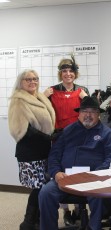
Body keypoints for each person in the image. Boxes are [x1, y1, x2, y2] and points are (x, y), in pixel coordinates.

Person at [39, 96, 111, 230]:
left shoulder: (107, 133)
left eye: (92, 111)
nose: (88, 115)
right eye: (84, 111)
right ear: (79, 113)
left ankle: (94, 227)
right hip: (66, 178)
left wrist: (97, 174)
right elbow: (54, 155)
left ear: (98, 114)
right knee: (46, 193)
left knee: (97, 195)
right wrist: (56, 173)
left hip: (93, 179)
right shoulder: (68, 131)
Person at [43, 55, 90, 225]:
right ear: (60, 74)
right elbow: (41, 111)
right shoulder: (51, 91)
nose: (68, 74)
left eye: (71, 71)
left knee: (76, 170)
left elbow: (90, 112)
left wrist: (85, 98)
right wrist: (42, 96)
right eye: (64, 71)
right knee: (60, 172)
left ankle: (79, 207)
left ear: (75, 74)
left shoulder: (82, 90)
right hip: (59, 137)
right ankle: (65, 211)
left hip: (78, 137)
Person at [8, 69, 56, 230]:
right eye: (28, 79)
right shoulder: (19, 100)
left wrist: (53, 136)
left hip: (43, 150)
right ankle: (28, 223)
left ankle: (36, 220)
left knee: (41, 187)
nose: (32, 82)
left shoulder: (40, 97)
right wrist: (49, 137)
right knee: (38, 188)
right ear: (21, 82)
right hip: (29, 152)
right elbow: (23, 129)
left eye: (35, 78)